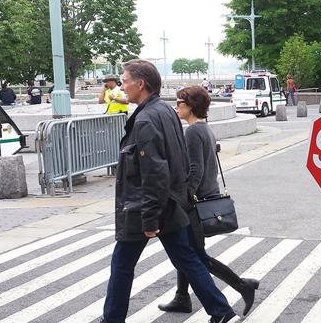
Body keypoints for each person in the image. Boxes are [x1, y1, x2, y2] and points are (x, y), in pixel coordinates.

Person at [100, 59, 240, 323]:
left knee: (122, 266)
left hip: (147, 206)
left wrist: (150, 217)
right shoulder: (164, 112)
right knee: (187, 259)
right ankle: (222, 311)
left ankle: (112, 319)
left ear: (140, 84)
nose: (121, 86)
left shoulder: (145, 119)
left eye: (124, 81)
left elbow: (154, 170)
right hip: (169, 203)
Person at [158, 85, 259, 316]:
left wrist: (185, 199)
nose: (176, 106)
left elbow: (196, 169)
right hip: (204, 196)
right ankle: (182, 297)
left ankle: (243, 285)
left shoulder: (193, 131)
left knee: (195, 255)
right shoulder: (203, 128)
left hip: (196, 202)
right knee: (188, 249)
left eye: (180, 102)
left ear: (191, 106)